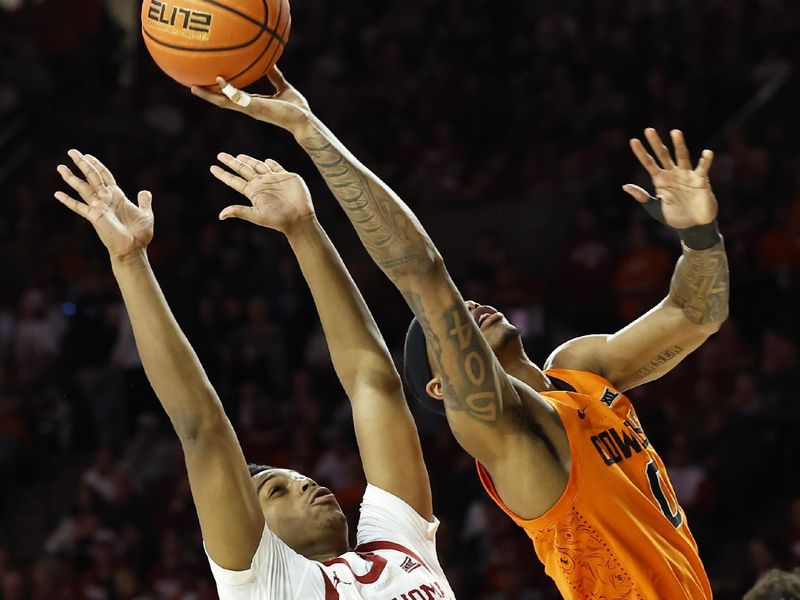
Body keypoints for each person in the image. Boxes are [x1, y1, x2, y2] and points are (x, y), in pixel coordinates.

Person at [194, 68, 729, 598]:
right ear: (443, 384)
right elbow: (422, 273)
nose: (466, 309)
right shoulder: (501, 429)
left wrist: (700, 236)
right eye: (446, 332)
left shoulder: (581, 370)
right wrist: (310, 131)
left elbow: (697, 314)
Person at [54, 150, 456, 599]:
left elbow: (373, 383)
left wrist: (304, 229)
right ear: (251, 529)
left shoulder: (398, 543)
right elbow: (202, 428)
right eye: (279, 492)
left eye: (295, 480)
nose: (306, 483)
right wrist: (130, 262)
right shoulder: (262, 584)